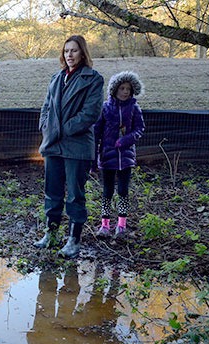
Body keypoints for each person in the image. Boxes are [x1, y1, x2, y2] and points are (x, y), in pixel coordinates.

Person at [33, 35, 104, 259]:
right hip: (53, 144)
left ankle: (73, 241)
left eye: (74, 51)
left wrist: (62, 129)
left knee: (75, 194)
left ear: (82, 53)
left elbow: (91, 113)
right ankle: (50, 235)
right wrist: (46, 127)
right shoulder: (56, 78)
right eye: (66, 51)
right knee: (52, 192)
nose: (69, 55)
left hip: (77, 145)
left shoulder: (93, 79)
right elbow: (46, 107)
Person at [94, 71, 145, 240]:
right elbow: (96, 132)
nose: (125, 92)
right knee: (107, 191)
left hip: (126, 156)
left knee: (123, 190)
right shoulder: (105, 108)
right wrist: (94, 158)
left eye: (128, 89)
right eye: (122, 88)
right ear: (115, 89)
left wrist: (126, 140)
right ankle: (105, 225)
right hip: (107, 156)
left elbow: (139, 129)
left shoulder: (134, 108)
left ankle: (121, 225)